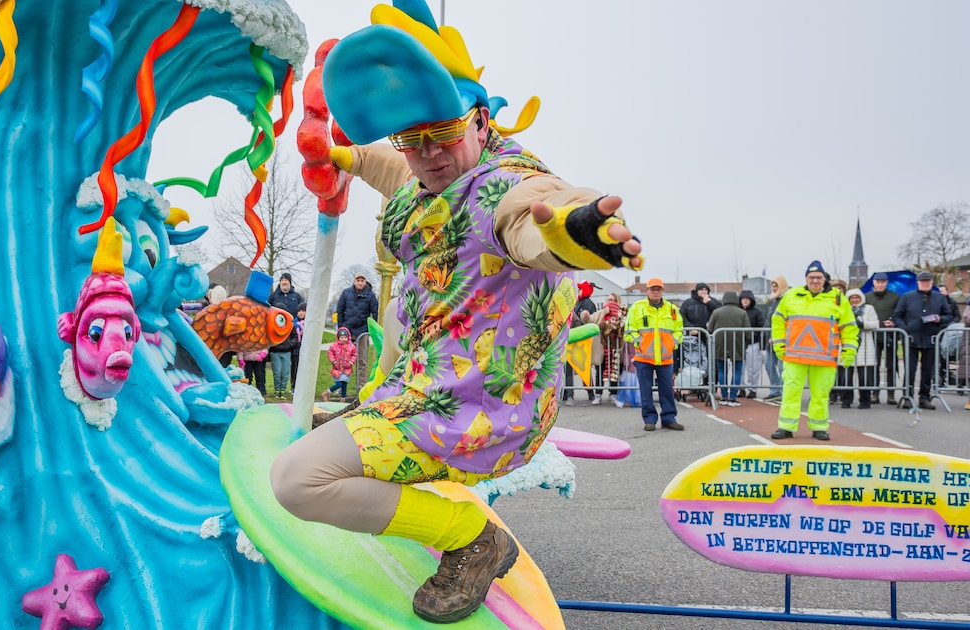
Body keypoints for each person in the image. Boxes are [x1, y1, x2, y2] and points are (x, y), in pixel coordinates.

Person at [273, 6, 643, 623]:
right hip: (423, 380)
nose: (429, 154)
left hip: (479, 409)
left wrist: (582, 231)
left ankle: (470, 537)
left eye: (441, 132)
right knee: (395, 312)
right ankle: (365, 413)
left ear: (479, 118)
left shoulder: (504, 186)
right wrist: (342, 158)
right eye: (411, 139)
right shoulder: (427, 170)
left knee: (298, 480)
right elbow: (393, 169)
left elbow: (535, 219)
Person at [769, 261, 857, 441]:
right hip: (794, 355)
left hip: (824, 358)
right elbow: (777, 320)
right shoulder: (792, 295)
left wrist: (849, 351)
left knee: (820, 394)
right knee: (790, 392)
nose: (815, 281)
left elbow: (849, 327)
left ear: (825, 279)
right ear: (806, 279)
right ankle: (786, 427)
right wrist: (779, 345)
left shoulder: (839, 299)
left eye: (818, 277)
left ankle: (819, 427)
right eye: (811, 277)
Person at [623, 278, 683, 430]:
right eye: (653, 289)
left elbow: (679, 330)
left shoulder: (672, 309)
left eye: (658, 289)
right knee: (646, 390)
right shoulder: (637, 307)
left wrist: (672, 343)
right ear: (647, 290)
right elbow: (629, 331)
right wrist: (640, 344)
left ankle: (669, 418)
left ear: (662, 291)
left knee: (667, 390)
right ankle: (649, 419)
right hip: (644, 358)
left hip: (665, 358)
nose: (656, 292)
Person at [890, 271, 953, 410]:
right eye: (922, 281)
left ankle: (924, 397)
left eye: (927, 281)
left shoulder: (939, 298)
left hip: (930, 337)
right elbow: (896, 316)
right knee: (910, 370)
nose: (925, 284)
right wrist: (905, 328)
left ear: (932, 282)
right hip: (911, 337)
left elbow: (949, 315)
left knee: (927, 370)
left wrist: (940, 319)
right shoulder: (907, 297)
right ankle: (908, 396)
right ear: (918, 282)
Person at [707, 291, 750, 406]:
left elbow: (709, 329)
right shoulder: (742, 313)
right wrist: (745, 343)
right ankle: (733, 397)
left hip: (720, 344)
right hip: (738, 345)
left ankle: (724, 396)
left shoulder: (716, 312)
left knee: (722, 369)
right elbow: (748, 333)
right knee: (737, 370)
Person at [864, 272, 901, 405]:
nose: (880, 284)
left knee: (891, 365)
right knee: (874, 365)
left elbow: (899, 313)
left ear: (886, 283)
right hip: (872, 336)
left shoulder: (895, 297)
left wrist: (894, 322)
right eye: (878, 282)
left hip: (890, 336)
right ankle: (875, 393)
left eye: (883, 282)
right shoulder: (866, 297)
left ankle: (891, 393)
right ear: (873, 283)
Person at [563, 280, 599, 405]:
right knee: (572, 370)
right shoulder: (576, 303)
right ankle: (568, 395)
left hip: (580, 340)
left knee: (583, 369)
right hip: (573, 339)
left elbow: (584, 321)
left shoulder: (587, 304)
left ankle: (589, 393)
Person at [842, 289, 879, 409]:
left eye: (856, 297)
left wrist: (863, 323)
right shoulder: (844, 309)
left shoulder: (869, 308)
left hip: (865, 344)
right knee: (847, 376)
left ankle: (865, 400)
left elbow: (875, 324)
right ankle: (846, 400)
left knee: (865, 376)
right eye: (851, 298)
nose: (854, 300)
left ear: (861, 298)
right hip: (848, 344)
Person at [762, 276, 788, 403]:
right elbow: (769, 320)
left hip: (782, 341)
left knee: (783, 368)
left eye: (776, 286)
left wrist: (776, 336)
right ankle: (775, 390)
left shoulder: (786, 300)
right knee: (768, 365)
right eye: (772, 286)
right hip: (770, 341)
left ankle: (785, 392)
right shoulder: (772, 301)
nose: (773, 288)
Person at [738, 289, 766, 399]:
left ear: (751, 300)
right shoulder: (737, 311)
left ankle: (753, 389)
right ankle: (741, 388)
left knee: (753, 368)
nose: (745, 301)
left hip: (753, 344)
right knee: (739, 368)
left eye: (747, 299)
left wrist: (757, 338)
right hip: (739, 344)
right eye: (743, 299)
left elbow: (762, 326)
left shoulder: (757, 312)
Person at [268, 300, 298, 399]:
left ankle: (283, 390)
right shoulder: (271, 325)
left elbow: (295, 337)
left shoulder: (290, 325)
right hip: (275, 352)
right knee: (277, 372)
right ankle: (277, 390)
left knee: (285, 372)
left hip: (286, 352)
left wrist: (290, 344)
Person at [336, 273, 379, 341]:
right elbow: (340, 310)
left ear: (365, 282)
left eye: (362, 281)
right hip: (347, 328)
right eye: (358, 280)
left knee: (361, 351)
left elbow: (375, 313)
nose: (360, 283)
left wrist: (370, 329)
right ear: (354, 282)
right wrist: (341, 327)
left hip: (362, 330)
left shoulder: (371, 295)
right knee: (345, 350)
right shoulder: (346, 293)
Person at [323, 327, 357, 402]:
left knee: (344, 383)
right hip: (337, 368)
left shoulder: (351, 347)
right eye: (341, 337)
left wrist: (351, 362)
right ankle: (327, 392)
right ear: (338, 337)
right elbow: (330, 354)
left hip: (346, 368)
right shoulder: (334, 346)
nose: (343, 339)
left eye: (345, 337)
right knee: (339, 384)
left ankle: (343, 398)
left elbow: (354, 355)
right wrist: (333, 361)